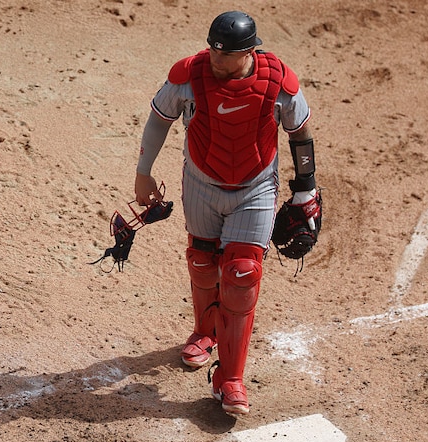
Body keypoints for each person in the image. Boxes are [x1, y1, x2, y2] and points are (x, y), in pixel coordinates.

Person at [132, 11, 322, 415]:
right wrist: (143, 173)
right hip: (201, 185)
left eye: (226, 56)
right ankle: (205, 332)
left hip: (254, 190)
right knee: (203, 262)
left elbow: (300, 134)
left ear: (249, 51)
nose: (216, 61)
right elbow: (158, 120)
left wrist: (306, 188)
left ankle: (230, 379)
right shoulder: (188, 76)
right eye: (213, 52)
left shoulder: (278, 81)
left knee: (241, 274)